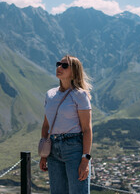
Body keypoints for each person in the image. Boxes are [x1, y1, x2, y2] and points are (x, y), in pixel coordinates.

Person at [39, 54, 93, 194]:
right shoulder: (50, 94)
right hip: (53, 149)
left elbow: (87, 129)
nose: (59, 67)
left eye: (64, 65)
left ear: (74, 71)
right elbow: (46, 126)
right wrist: (43, 155)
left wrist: (85, 160)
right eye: (58, 64)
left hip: (74, 149)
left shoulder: (80, 95)